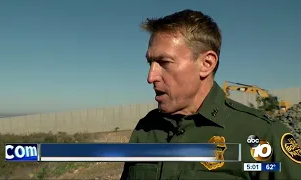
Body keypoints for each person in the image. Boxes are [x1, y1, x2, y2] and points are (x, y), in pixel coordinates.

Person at [120, 9, 301, 180]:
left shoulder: (264, 136)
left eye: (164, 62)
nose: (151, 77)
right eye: (150, 63)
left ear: (207, 63)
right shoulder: (145, 130)